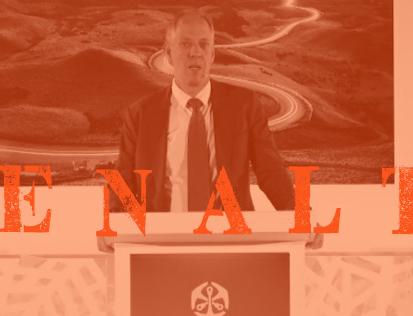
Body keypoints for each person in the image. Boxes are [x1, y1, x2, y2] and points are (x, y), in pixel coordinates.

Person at [113, 11, 294, 212]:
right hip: (164, 230)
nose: (195, 52)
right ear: (169, 53)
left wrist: (303, 217)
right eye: (186, 43)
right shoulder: (140, 114)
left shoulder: (244, 105)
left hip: (230, 230)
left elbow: (271, 171)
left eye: (204, 44)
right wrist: (114, 221)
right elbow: (122, 185)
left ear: (212, 54)